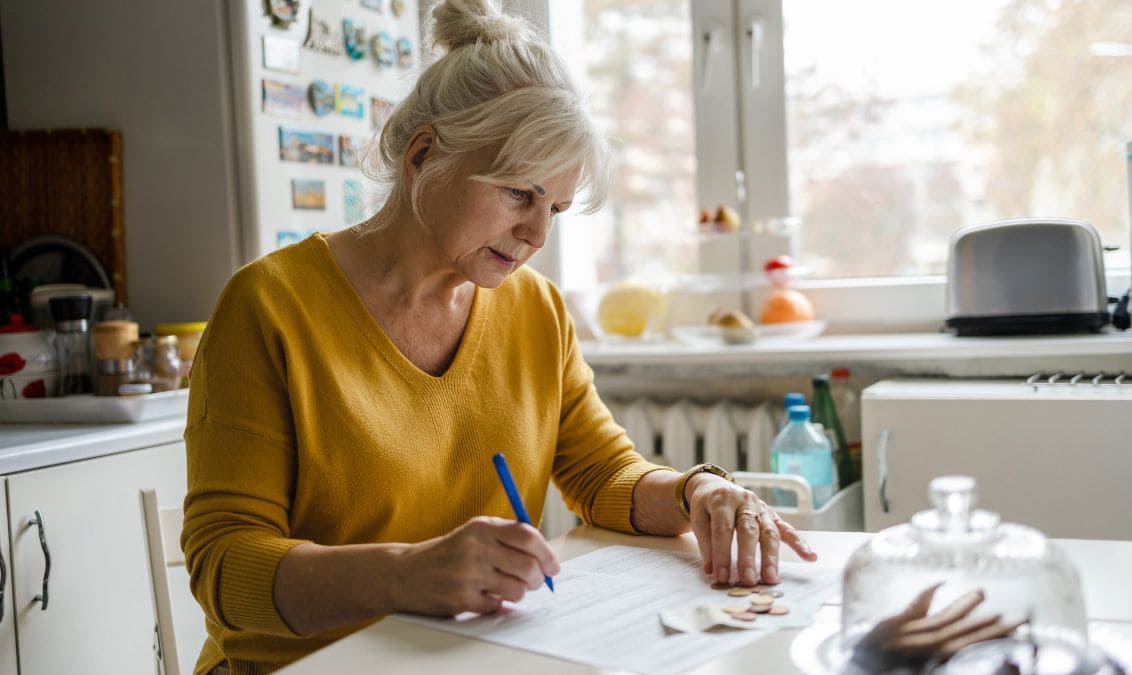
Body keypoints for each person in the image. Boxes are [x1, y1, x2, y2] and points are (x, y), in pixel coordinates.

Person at [181, 1, 814, 672]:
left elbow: (603, 474)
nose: (537, 234)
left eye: (555, 208)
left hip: (462, 658)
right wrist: (403, 574)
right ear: (423, 155)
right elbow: (223, 565)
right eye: (519, 193)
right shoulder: (269, 306)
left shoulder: (536, 308)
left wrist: (698, 491)